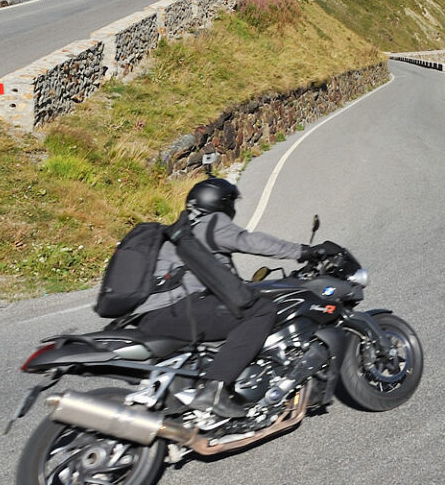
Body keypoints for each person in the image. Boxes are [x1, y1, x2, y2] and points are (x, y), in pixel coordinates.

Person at [133, 177, 346, 418]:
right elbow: (251, 242)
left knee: (234, 313)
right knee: (262, 310)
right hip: (175, 309)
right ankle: (214, 390)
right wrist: (306, 251)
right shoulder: (210, 223)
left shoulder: (181, 232)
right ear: (221, 204)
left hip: (153, 316)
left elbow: (215, 279)